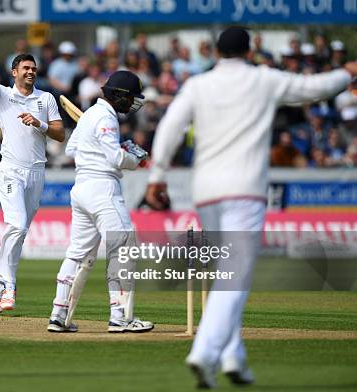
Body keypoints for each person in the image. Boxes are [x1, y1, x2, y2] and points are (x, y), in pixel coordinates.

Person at [144, 26, 356, 389]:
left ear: (216, 53)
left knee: (226, 274)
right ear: (249, 51)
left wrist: (157, 176)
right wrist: (346, 73)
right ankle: (205, 352)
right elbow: (315, 88)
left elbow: (169, 127)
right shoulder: (263, 79)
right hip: (245, 190)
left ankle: (233, 359)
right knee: (236, 277)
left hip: (206, 191)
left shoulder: (199, 84)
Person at [47, 70, 154, 333]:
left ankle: (59, 315)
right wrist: (134, 158)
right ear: (118, 96)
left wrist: (118, 149)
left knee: (78, 253)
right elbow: (115, 159)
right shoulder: (105, 117)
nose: (131, 103)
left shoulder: (91, 115)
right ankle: (121, 318)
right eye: (129, 98)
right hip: (102, 189)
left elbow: (72, 150)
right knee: (124, 246)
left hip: (81, 189)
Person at [0, 18, 65, 313]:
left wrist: (38, 124)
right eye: (25, 68)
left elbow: (60, 133)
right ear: (14, 73)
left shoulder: (46, 98)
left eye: (34, 67)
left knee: (21, 232)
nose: (31, 71)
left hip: (37, 171)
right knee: (16, 224)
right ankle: (5, 283)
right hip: (11, 168)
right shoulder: (3, 94)